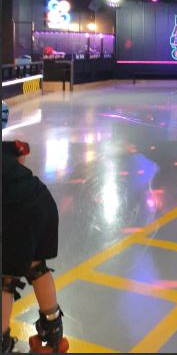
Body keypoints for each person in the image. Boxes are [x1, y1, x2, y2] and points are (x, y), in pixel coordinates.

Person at [2, 101, 68, 353]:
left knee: (5, 277)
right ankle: (53, 331)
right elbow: (21, 153)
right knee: (36, 266)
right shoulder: (7, 149)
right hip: (42, 201)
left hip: (20, 211)